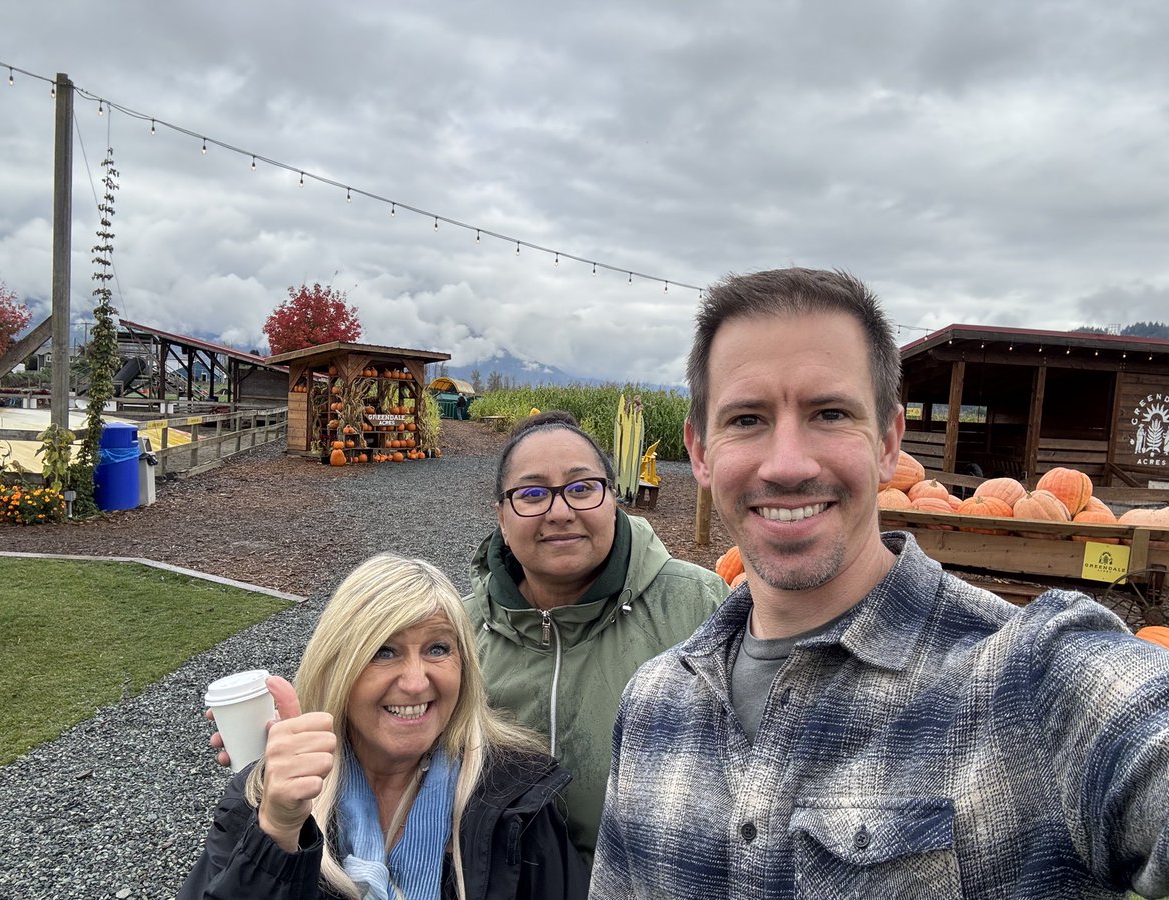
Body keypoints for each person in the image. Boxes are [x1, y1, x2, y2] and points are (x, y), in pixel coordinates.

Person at [591, 269, 1169, 899]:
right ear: (701, 452)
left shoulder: (1028, 679)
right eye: (747, 419)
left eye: (830, 413)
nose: (787, 465)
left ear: (889, 443)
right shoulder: (651, 705)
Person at [181, 553, 588, 900]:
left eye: (438, 649)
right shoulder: (267, 795)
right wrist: (277, 835)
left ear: (465, 666)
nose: (415, 682)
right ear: (337, 667)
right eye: (384, 651)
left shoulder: (519, 800)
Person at [467, 411, 729, 862]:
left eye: (581, 488)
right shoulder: (460, 630)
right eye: (532, 494)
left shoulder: (701, 606)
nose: (560, 513)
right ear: (502, 520)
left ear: (613, 500)